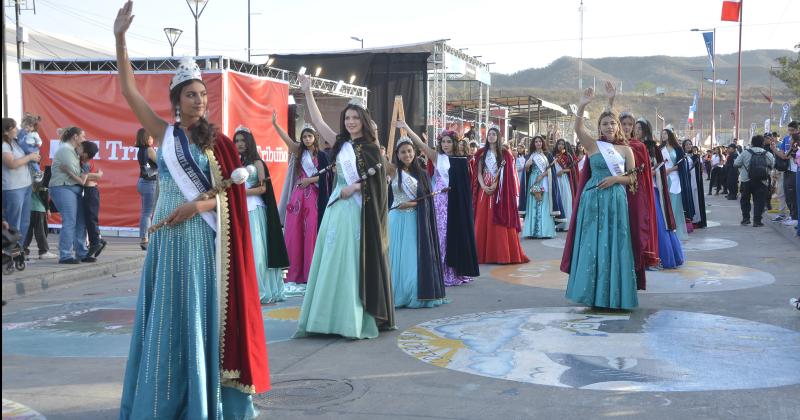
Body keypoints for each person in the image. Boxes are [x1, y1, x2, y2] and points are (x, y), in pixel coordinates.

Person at [115, 3, 269, 418]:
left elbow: (231, 196)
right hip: (167, 237)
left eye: (202, 94)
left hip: (201, 236)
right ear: (176, 100)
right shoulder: (163, 134)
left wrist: (195, 205)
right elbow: (129, 91)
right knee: (166, 314)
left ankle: (203, 400)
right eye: (191, 94)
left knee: (198, 314)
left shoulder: (215, 143)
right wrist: (120, 38)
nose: (199, 100)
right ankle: (164, 396)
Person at [294, 73, 394, 339]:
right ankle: (325, 319)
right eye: (347, 118)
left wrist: (356, 187)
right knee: (331, 260)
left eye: (355, 118)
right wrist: (308, 91)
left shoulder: (372, 149)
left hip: (357, 211)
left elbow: (379, 184)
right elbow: (317, 121)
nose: (350, 122)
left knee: (350, 263)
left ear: (363, 120)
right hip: (336, 209)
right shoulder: (341, 143)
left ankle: (352, 318)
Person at [561, 87, 638, 309]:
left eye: (612, 123)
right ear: (600, 127)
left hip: (615, 200)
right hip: (593, 201)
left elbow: (632, 180)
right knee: (592, 245)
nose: (609, 127)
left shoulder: (626, 151)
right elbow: (577, 128)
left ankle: (613, 295)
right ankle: (590, 294)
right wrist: (583, 103)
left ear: (618, 126)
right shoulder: (593, 145)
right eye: (605, 124)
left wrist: (615, 180)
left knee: (614, 245)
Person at [399, 123, 479, 286]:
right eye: (443, 142)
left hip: (455, 204)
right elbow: (421, 145)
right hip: (440, 203)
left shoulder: (462, 161)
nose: (446, 145)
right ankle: (440, 271)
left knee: (454, 235)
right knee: (441, 236)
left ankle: (454, 270)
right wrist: (407, 128)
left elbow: (465, 189)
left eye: (449, 142)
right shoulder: (437, 157)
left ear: (455, 143)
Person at [273, 114, 331, 294]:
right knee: (294, 231)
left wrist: (310, 180)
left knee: (311, 230)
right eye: (304, 136)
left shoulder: (322, 156)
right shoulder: (299, 153)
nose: (306, 139)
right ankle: (295, 274)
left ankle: (310, 273)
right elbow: (287, 140)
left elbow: (327, 176)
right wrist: (275, 124)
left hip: (314, 195)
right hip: (298, 197)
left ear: (315, 138)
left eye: (309, 136)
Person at [386, 137, 446, 308]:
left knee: (412, 259)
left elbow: (426, 201)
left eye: (410, 151)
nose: (407, 154)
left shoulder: (423, 173)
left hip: (414, 220)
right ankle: (396, 293)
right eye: (403, 152)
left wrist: (410, 204)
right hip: (396, 220)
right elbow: (377, 157)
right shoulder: (392, 171)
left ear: (415, 152)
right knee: (395, 259)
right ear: (397, 154)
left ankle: (413, 292)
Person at [234, 126, 288, 304]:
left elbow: (263, 188)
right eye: (237, 141)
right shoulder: (235, 162)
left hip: (254, 208)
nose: (239, 144)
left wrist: (243, 193)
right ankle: (243, 287)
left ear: (249, 142)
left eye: (242, 140)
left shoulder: (257, 162)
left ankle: (259, 288)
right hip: (239, 209)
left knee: (256, 249)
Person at [472, 127, 529, 264]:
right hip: (484, 191)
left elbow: (507, 176)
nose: (491, 136)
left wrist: (495, 185)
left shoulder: (505, 154)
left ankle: (501, 254)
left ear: (498, 137)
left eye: (494, 134)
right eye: (489, 134)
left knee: (499, 220)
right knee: (482, 220)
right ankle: (482, 254)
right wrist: (484, 186)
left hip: (500, 192)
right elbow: (478, 173)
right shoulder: (481, 153)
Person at [640, 119, 683, 270]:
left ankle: (659, 256)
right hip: (636, 188)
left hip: (651, 188)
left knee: (657, 222)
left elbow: (658, 169)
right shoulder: (629, 145)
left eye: (639, 128)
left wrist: (649, 172)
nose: (634, 130)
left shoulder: (653, 147)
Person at [49, 126, 90, 264]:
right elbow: (77, 175)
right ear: (75, 137)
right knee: (70, 220)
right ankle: (65, 255)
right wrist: (85, 173)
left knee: (80, 221)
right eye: (83, 136)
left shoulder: (72, 151)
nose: (85, 139)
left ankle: (81, 252)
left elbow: (77, 174)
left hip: (72, 188)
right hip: (63, 187)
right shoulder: (65, 150)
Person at [2, 118, 38, 258]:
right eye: (14, 127)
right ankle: (9, 253)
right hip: (13, 188)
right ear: (6, 130)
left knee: (24, 222)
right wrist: (30, 158)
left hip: (25, 186)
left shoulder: (15, 142)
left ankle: (19, 251)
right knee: (13, 222)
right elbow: (11, 164)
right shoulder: (4, 145)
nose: (16, 129)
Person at [735, 135, 775, 227]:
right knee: (759, 201)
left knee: (745, 199)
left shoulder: (745, 153)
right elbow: (773, 164)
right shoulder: (767, 153)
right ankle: (757, 221)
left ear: (752, 143)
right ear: (763, 143)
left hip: (746, 180)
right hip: (762, 181)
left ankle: (746, 219)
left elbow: (736, 163)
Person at [522, 135, 557, 239]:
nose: (538, 143)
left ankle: (545, 232)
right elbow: (526, 172)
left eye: (540, 141)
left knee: (544, 203)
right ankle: (532, 231)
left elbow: (551, 170)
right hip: (534, 181)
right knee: (533, 203)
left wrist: (542, 175)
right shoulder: (529, 156)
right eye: (536, 141)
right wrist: (527, 166)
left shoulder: (548, 155)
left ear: (542, 143)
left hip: (544, 181)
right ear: (533, 143)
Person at [77, 140, 107, 261]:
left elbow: (82, 177)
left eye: (80, 147)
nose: (77, 148)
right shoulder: (86, 161)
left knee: (91, 219)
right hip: (92, 191)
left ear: (85, 154)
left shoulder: (86, 163)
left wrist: (94, 175)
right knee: (90, 218)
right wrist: (96, 175)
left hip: (90, 192)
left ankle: (95, 242)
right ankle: (99, 240)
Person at [661, 128, 690, 240]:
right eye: (662, 134)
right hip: (663, 179)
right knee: (664, 204)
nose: (663, 136)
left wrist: (671, 170)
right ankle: (666, 232)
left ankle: (676, 231)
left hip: (674, 178)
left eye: (665, 133)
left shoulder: (677, 149)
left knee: (674, 205)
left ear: (670, 135)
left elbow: (681, 164)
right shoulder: (660, 149)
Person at [770, 121, 798, 226]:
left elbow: (785, 156)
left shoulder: (797, 140)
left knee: (793, 194)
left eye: (793, 130)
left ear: (797, 130)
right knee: (788, 194)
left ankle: (795, 217)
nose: (790, 133)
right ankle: (792, 215)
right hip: (787, 170)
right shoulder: (786, 139)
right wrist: (774, 149)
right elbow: (782, 154)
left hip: (795, 171)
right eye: (789, 130)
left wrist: (775, 150)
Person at [135, 128, 157, 250]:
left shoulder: (141, 150)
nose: (153, 138)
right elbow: (161, 162)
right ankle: (145, 239)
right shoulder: (149, 150)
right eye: (151, 136)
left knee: (145, 213)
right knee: (147, 213)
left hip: (143, 182)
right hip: (150, 183)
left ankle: (145, 238)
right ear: (146, 138)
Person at [683, 139, 707, 228]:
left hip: (695, 182)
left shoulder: (696, 157)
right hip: (686, 181)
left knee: (696, 199)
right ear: (684, 146)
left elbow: (699, 170)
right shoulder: (682, 156)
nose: (688, 146)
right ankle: (689, 219)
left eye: (690, 144)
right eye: (686, 144)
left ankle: (697, 220)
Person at [553, 138, 576, 231]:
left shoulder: (568, 156)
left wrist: (562, 171)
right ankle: (557, 225)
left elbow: (571, 169)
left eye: (562, 144)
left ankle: (565, 225)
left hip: (563, 179)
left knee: (565, 199)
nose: (560, 146)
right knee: (557, 200)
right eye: (559, 144)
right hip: (554, 179)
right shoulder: (553, 155)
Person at [17, 113, 44, 183]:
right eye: (26, 126)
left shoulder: (34, 134)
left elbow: (39, 141)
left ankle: (39, 172)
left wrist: (38, 145)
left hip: (32, 150)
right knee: (28, 163)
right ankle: (34, 174)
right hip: (26, 151)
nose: (27, 128)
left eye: (30, 126)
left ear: (33, 127)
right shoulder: (21, 132)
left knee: (33, 163)